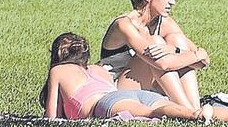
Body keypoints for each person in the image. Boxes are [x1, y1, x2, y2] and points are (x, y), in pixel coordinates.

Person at [99, 0, 213, 111]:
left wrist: (175, 50)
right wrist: (195, 55)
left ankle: (194, 108)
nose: (173, 2)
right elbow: (163, 64)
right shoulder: (124, 25)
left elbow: (202, 63)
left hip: (148, 83)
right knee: (156, 43)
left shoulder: (165, 22)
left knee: (177, 39)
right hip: (118, 90)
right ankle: (190, 112)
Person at [41, 33, 212, 121]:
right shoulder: (97, 69)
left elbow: (52, 117)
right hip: (125, 95)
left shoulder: (58, 71)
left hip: (107, 103)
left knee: (151, 112)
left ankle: (194, 115)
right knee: (161, 105)